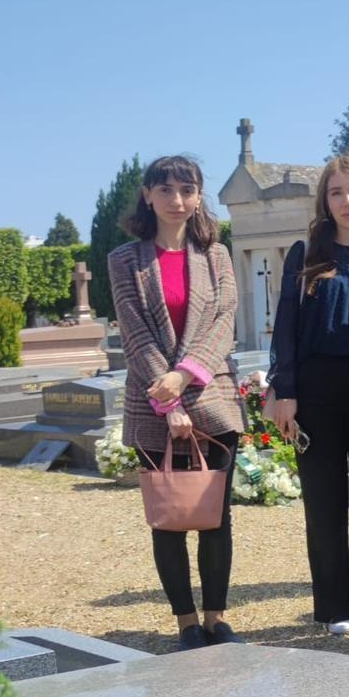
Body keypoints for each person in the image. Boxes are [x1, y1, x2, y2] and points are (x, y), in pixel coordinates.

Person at [109, 155, 244, 651]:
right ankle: (186, 622)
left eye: (187, 190)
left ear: (199, 196)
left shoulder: (217, 255)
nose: (177, 200)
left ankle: (216, 619)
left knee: (215, 518)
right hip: (152, 402)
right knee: (169, 517)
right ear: (148, 195)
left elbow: (223, 322)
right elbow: (134, 332)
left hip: (212, 400)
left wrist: (184, 376)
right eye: (165, 189)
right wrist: (168, 400)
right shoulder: (125, 259)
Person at [268, 156, 349, 637]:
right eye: (336, 192)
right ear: (325, 201)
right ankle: (332, 606)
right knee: (323, 502)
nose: (348, 201)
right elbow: (286, 327)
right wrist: (285, 391)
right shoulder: (306, 255)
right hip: (316, 393)